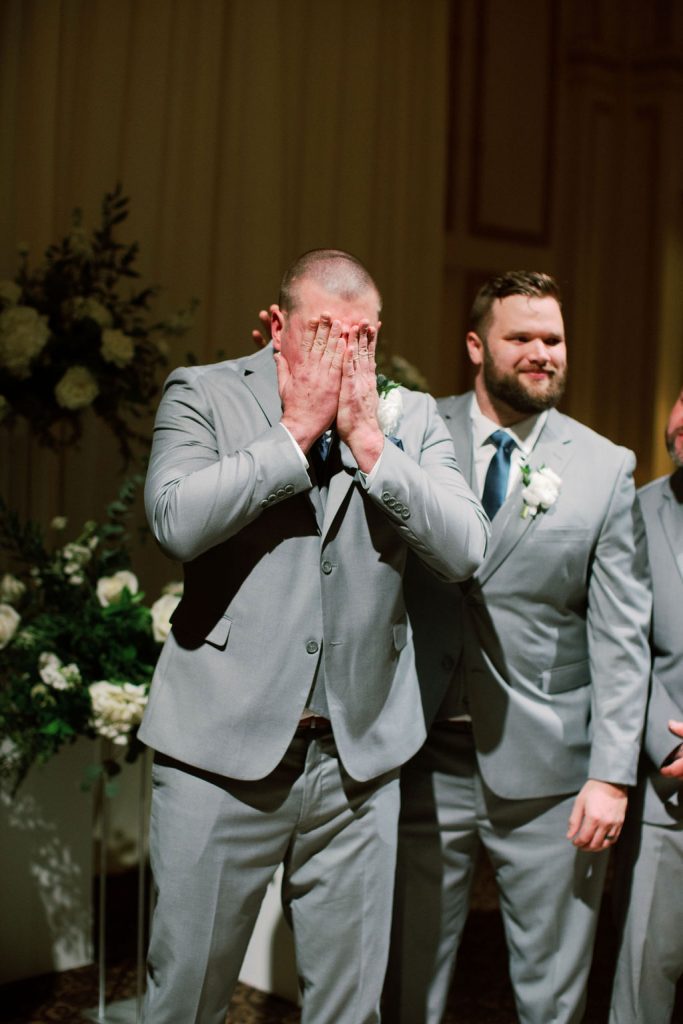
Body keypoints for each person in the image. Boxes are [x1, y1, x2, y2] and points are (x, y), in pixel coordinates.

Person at [139, 248, 489, 1024]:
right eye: (324, 333)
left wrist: (370, 444)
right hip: (217, 754)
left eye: (361, 339)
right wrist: (294, 432)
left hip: (358, 764)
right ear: (278, 327)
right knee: (185, 998)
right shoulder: (205, 394)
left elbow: (466, 547)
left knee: (348, 1007)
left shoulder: (411, 417)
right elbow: (175, 521)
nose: (344, 355)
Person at [383, 271, 652, 1024]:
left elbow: (620, 634)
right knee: (407, 980)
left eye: (553, 339)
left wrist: (610, 775)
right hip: (419, 754)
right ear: (475, 346)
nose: (541, 353)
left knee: (552, 989)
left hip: (551, 769)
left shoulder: (604, 467)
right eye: (521, 338)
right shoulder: (409, 431)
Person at [608, 387, 683, 1023]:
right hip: (671, 786)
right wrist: (674, 741)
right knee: (645, 974)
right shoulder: (634, 512)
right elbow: (617, 640)